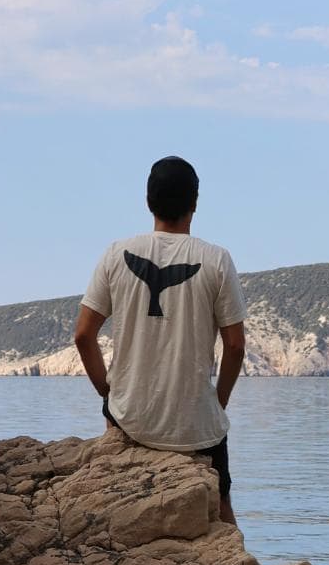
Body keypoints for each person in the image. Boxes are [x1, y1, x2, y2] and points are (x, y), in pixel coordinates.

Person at [72, 155, 247, 527]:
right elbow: (235, 347)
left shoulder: (115, 254)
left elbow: (84, 335)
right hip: (195, 427)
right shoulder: (217, 260)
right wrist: (218, 402)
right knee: (223, 510)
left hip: (130, 420)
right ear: (195, 203)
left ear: (148, 201)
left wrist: (108, 391)